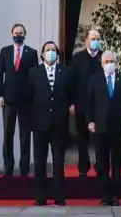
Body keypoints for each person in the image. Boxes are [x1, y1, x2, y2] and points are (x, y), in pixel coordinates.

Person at [86, 49, 121, 206]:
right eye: (106, 62)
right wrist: (90, 121)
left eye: (112, 61)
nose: (109, 64)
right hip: (100, 127)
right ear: (101, 64)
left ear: (116, 63)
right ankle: (106, 194)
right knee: (101, 162)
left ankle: (113, 192)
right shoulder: (94, 79)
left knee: (117, 161)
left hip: (117, 127)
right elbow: (89, 102)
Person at [29, 41, 74, 206]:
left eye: (53, 50)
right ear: (42, 54)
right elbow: (29, 97)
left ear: (58, 54)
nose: (50, 52)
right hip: (40, 124)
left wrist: (71, 105)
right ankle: (40, 196)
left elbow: (71, 94)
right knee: (39, 162)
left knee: (58, 162)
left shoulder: (65, 72)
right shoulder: (34, 72)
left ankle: (59, 196)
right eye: (47, 50)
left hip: (59, 124)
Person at [0, 22, 37, 177]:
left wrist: (34, 97)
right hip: (8, 100)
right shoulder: (5, 51)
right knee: (8, 134)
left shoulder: (31, 53)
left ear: (25, 35)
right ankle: (8, 167)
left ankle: (24, 168)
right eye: (16, 33)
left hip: (26, 101)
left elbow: (34, 77)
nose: (18, 35)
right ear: (12, 34)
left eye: (21, 33)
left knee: (25, 136)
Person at [71, 28, 105, 177]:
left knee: (100, 137)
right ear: (86, 41)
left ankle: (100, 165)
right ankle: (83, 166)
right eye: (93, 39)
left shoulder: (105, 57)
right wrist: (72, 103)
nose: (95, 42)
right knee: (82, 136)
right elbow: (72, 82)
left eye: (97, 39)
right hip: (82, 103)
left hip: (100, 104)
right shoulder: (77, 58)